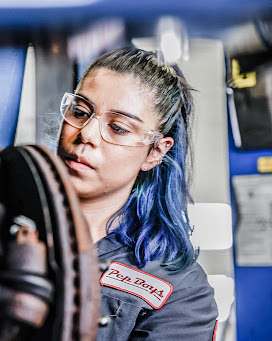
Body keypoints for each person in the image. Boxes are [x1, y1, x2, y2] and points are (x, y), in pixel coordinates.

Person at [57, 47, 219, 340]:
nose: (86, 134)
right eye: (79, 112)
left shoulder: (180, 290)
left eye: (118, 128)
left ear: (155, 152)